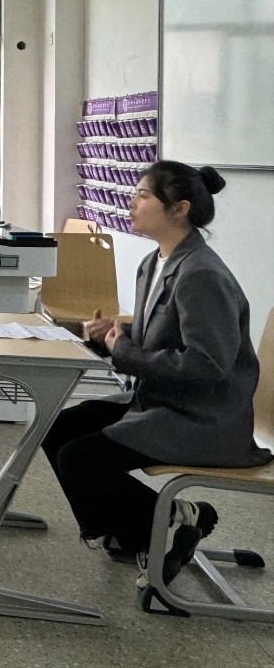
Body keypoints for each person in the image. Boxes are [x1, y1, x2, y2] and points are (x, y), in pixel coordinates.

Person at [41, 161, 271, 589]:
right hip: (162, 401)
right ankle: (154, 527)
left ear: (179, 209)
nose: (132, 202)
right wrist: (112, 337)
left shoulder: (202, 275)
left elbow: (206, 366)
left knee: (80, 458)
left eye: (143, 195)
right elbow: (157, 341)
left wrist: (124, 349)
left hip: (204, 419)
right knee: (58, 429)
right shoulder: (153, 263)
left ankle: (162, 525)